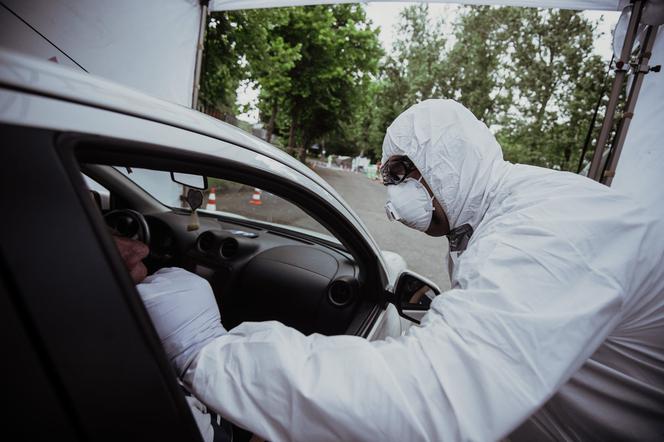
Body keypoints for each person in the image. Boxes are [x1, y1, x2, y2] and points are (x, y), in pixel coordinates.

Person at [127, 100, 664, 441]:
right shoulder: (480, 225)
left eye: (403, 171)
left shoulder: (550, 227)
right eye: (387, 176)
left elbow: (434, 401)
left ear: (451, 157)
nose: (393, 192)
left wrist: (208, 351)